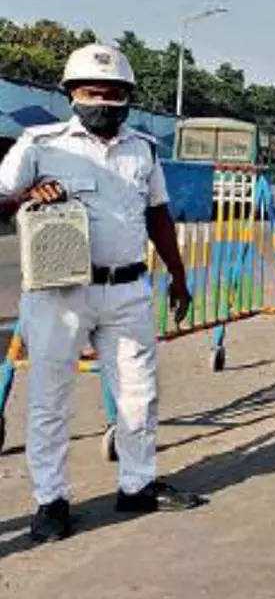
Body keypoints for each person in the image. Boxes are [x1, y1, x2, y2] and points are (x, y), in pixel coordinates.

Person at [0, 44, 203, 543]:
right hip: (59, 292)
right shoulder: (41, 143)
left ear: (128, 98)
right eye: (93, 92)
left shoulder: (142, 149)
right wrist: (29, 195)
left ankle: (136, 485)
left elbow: (158, 214)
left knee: (140, 393)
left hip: (129, 288)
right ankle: (51, 501)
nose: (104, 101)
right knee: (50, 399)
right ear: (71, 94)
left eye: (115, 94)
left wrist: (177, 275)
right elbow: (2, 194)